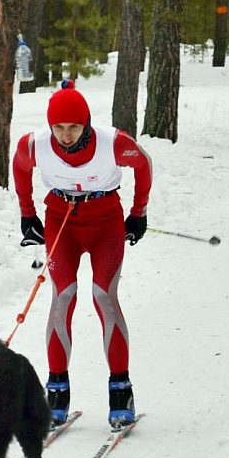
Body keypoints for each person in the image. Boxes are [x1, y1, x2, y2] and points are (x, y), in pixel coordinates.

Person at [12, 80, 153, 429]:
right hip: (61, 221)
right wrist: (28, 214)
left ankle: (121, 390)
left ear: (86, 122)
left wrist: (138, 212)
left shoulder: (113, 142)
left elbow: (143, 163)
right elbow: (20, 166)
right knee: (63, 296)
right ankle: (57, 391)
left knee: (103, 295)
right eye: (58, 127)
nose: (65, 135)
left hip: (106, 222)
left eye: (74, 126)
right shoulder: (34, 144)